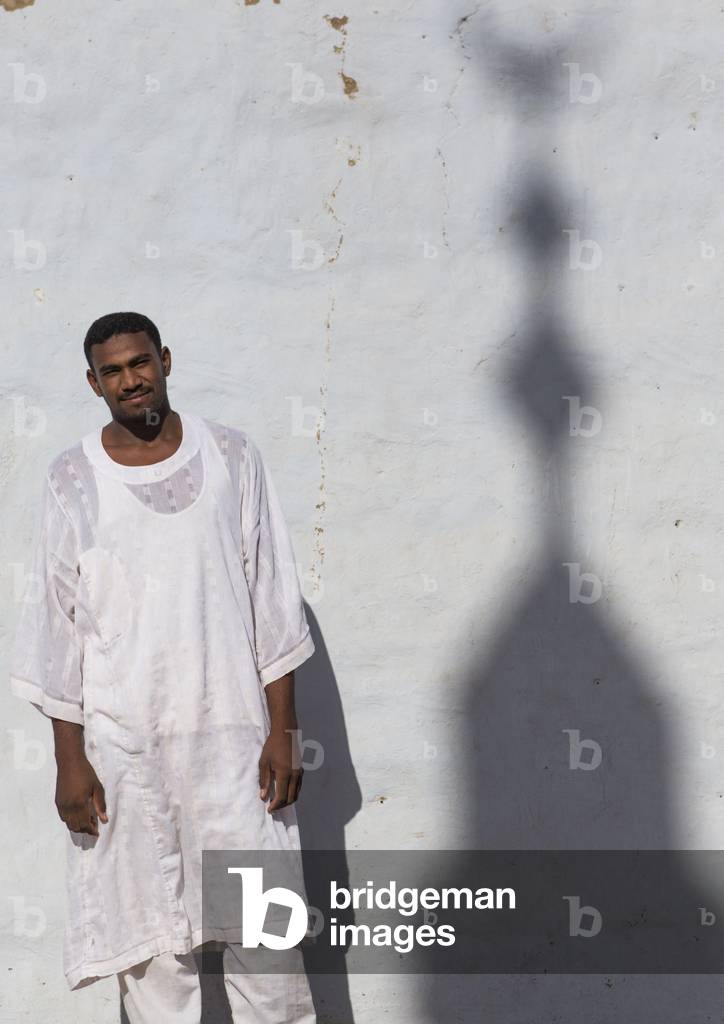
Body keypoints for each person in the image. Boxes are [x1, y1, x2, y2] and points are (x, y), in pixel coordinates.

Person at [9, 312, 318, 1023]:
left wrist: (283, 730)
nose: (130, 380)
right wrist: (69, 762)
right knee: (152, 965)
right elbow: (59, 630)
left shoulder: (232, 458)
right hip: (126, 755)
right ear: (93, 384)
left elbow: (272, 602)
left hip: (235, 745)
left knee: (267, 952)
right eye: (112, 372)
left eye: (139, 362)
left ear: (166, 360)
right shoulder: (71, 479)